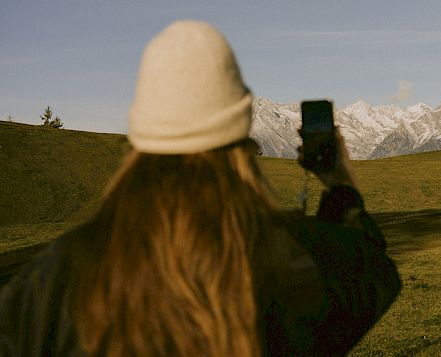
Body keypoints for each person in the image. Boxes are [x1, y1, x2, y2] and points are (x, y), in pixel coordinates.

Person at [0, 20, 400, 356]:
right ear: (241, 146)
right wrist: (339, 182)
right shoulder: (294, 257)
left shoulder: (53, 278)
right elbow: (371, 268)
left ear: (140, 142)